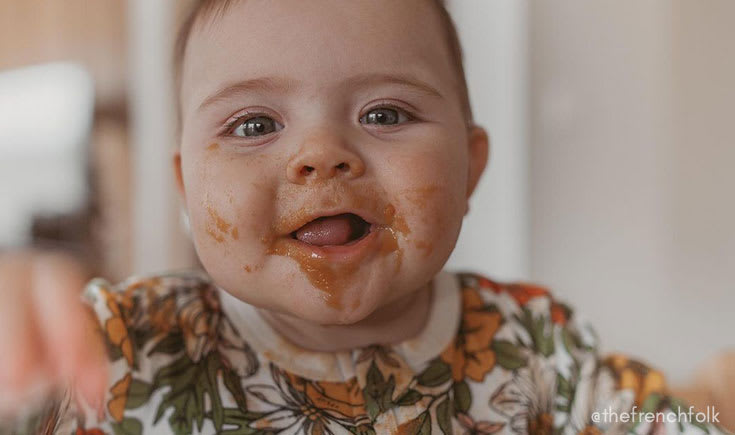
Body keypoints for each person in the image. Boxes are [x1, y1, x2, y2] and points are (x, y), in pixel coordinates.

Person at [0, 1, 727, 434]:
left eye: (384, 112)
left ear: (470, 167)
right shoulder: (125, 345)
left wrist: (710, 403)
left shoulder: (529, 341)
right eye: (254, 125)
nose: (320, 156)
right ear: (187, 189)